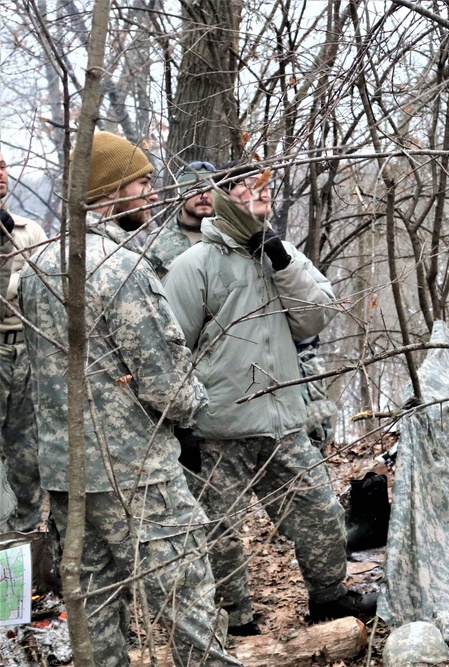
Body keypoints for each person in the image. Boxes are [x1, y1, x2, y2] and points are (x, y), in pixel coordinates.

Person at [19, 131, 242, 666]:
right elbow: (166, 385)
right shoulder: (120, 267)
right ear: (111, 188)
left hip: (65, 470)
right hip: (136, 472)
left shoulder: (36, 266)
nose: (150, 193)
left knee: (94, 607)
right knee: (186, 598)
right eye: (141, 182)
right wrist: (195, 405)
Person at [162, 163, 377, 635]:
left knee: (320, 512)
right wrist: (181, 427)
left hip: (284, 421)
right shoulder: (193, 264)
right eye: (244, 190)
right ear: (223, 201)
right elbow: (170, 347)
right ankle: (235, 622)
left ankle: (331, 600)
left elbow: (315, 318)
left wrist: (281, 259)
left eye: (261, 189)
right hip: (218, 429)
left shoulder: (282, 255)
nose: (257, 196)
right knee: (218, 534)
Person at [0, 153, 47, 534]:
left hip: (26, 351)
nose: (0, 175)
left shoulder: (28, 229)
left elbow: (48, 289)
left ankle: (25, 540)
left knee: (27, 454)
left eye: (2, 167)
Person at [145, 160, 216, 278]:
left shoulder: (228, 235)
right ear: (181, 195)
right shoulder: (157, 240)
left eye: (209, 189)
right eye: (195, 190)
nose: (204, 196)